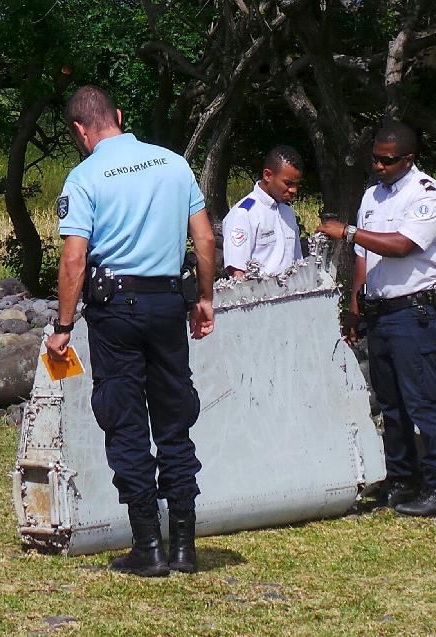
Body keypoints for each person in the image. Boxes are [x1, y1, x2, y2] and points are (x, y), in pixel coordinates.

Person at [45, 86, 216, 577]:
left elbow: (75, 258)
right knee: (174, 420)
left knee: (125, 423)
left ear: (80, 129)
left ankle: (148, 546)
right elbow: (203, 237)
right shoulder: (172, 163)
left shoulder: (84, 177)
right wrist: (204, 299)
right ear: (119, 115)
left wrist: (62, 325)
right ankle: (184, 544)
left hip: (115, 310)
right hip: (167, 304)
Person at [316, 121, 436, 519]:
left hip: (414, 312)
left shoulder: (427, 194)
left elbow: (400, 246)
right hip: (381, 311)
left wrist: (346, 231)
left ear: (408, 159)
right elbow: (365, 257)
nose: (378, 165)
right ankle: (400, 480)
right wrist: (355, 306)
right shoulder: (371, 196)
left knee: (423, 402)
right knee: (390, 404)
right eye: (375, 158)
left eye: (387, 160)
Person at [222, 146, 305, 277]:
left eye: (296, 185)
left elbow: (297, 262)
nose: (293, 190)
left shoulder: (287, 212)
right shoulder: (245, 213)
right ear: (268, 175)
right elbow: (237, 271)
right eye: (288, 183)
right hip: (260, 295)